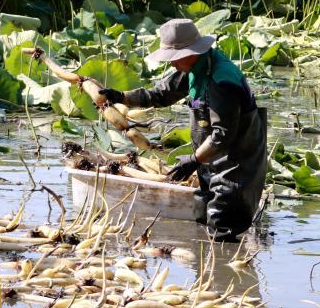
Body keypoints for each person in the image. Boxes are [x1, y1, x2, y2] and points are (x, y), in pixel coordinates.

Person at [99, 18, 267, 242]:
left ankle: (226, 272)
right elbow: (160, 95)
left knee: (223, 224)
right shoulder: (195, 66)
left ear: (190, 51)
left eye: (174, 58)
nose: (171, 64)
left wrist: (194, 160)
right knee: (201, 213)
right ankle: (204, 270)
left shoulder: (220, 80)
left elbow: (223, 135)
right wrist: (121, 96)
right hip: (210, 159)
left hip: (235, 161)